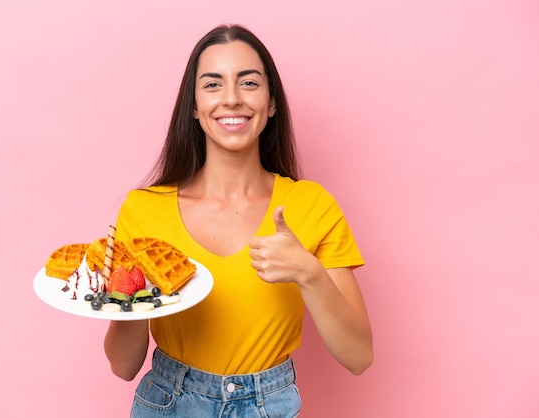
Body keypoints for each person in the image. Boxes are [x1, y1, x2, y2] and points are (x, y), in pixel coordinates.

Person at [104, 23, 373, 417]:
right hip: (167, 402)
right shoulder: (143, 209)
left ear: (271, 101)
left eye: (248, 83)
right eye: (213, 85)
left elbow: (359, 356)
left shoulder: (311, 205)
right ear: (193, 106)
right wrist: (134, 295)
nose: (231, 99)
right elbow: (122, 366)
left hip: (268, 405)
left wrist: (309, 273)